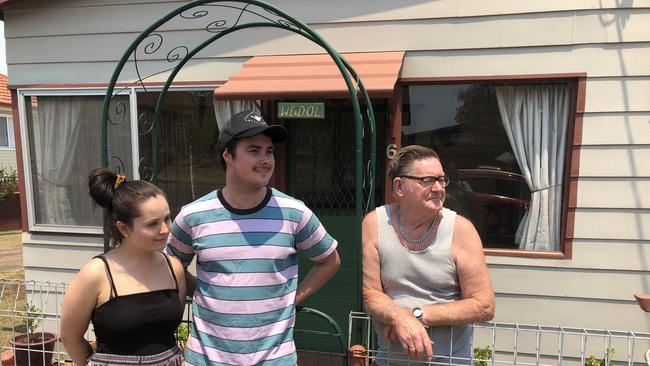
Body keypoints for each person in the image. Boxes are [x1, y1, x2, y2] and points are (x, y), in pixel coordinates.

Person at [165, 109, 341, 365]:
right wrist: (205, 291)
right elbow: (171, 267)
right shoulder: (193, 215)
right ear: (228, 155)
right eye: (254, 150)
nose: (266, 159)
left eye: (269, 151)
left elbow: (330, 260)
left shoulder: (294, 213)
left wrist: (292, 298)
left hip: (274, 359)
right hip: (205, 359)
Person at [362, 145, 494, 365]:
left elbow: (484, 304)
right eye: (427, 180)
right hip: (389, 361)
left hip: (448, 361)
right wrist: (398, 316)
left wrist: (415, 315)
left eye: (441, 180)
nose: (439, 188)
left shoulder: (461, 230)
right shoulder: (375, 224)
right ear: (399, 186)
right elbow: (371, 293)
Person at [60, 168, 186, 366]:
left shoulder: (173, 268)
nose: (165, 229)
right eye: (152, 224)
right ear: (123, 228)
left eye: (167, 218)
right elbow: (70, 337)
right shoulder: (96, 273)